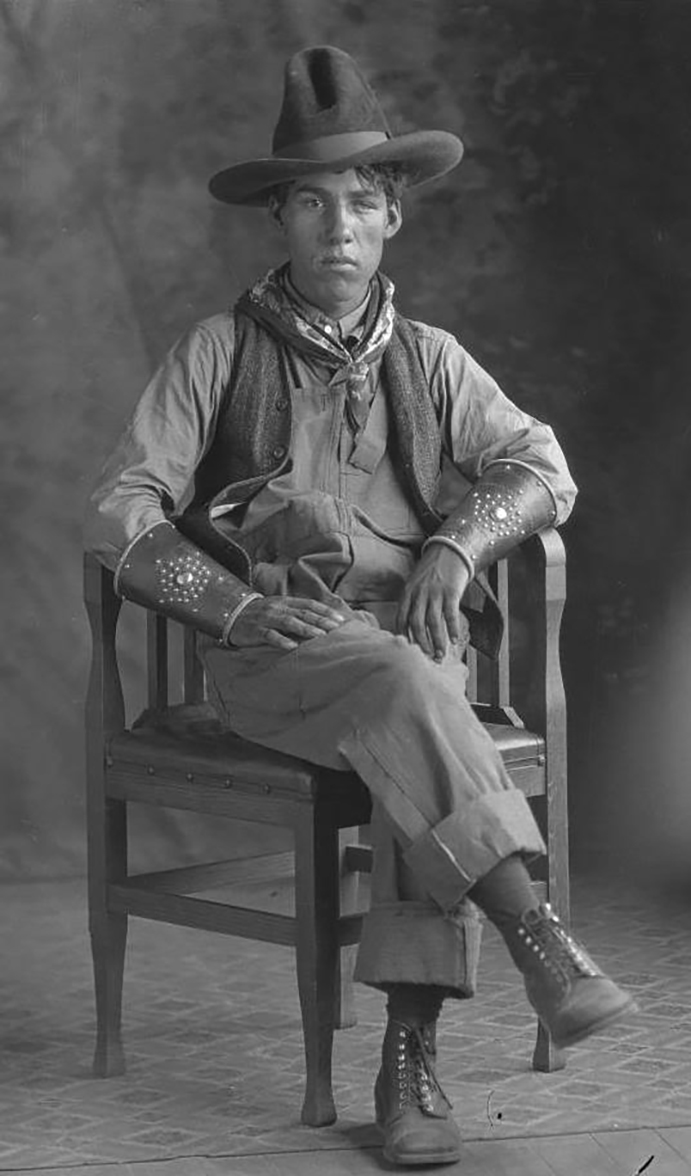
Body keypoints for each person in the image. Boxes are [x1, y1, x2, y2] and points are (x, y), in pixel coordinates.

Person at [85, 45, 635, 1168]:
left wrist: (454, 540)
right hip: (272, 660)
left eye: (362, 204)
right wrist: (231, 610)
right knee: (407, 686)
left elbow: (542, 468)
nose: (338, 227)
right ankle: (532, 933)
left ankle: (406, 1061)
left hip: (408, 660)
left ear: (394, 223)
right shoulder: (219, 352)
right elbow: (119, 512)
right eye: (312, 204)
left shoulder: (430, 361)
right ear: (278, 222)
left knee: (411, 690)